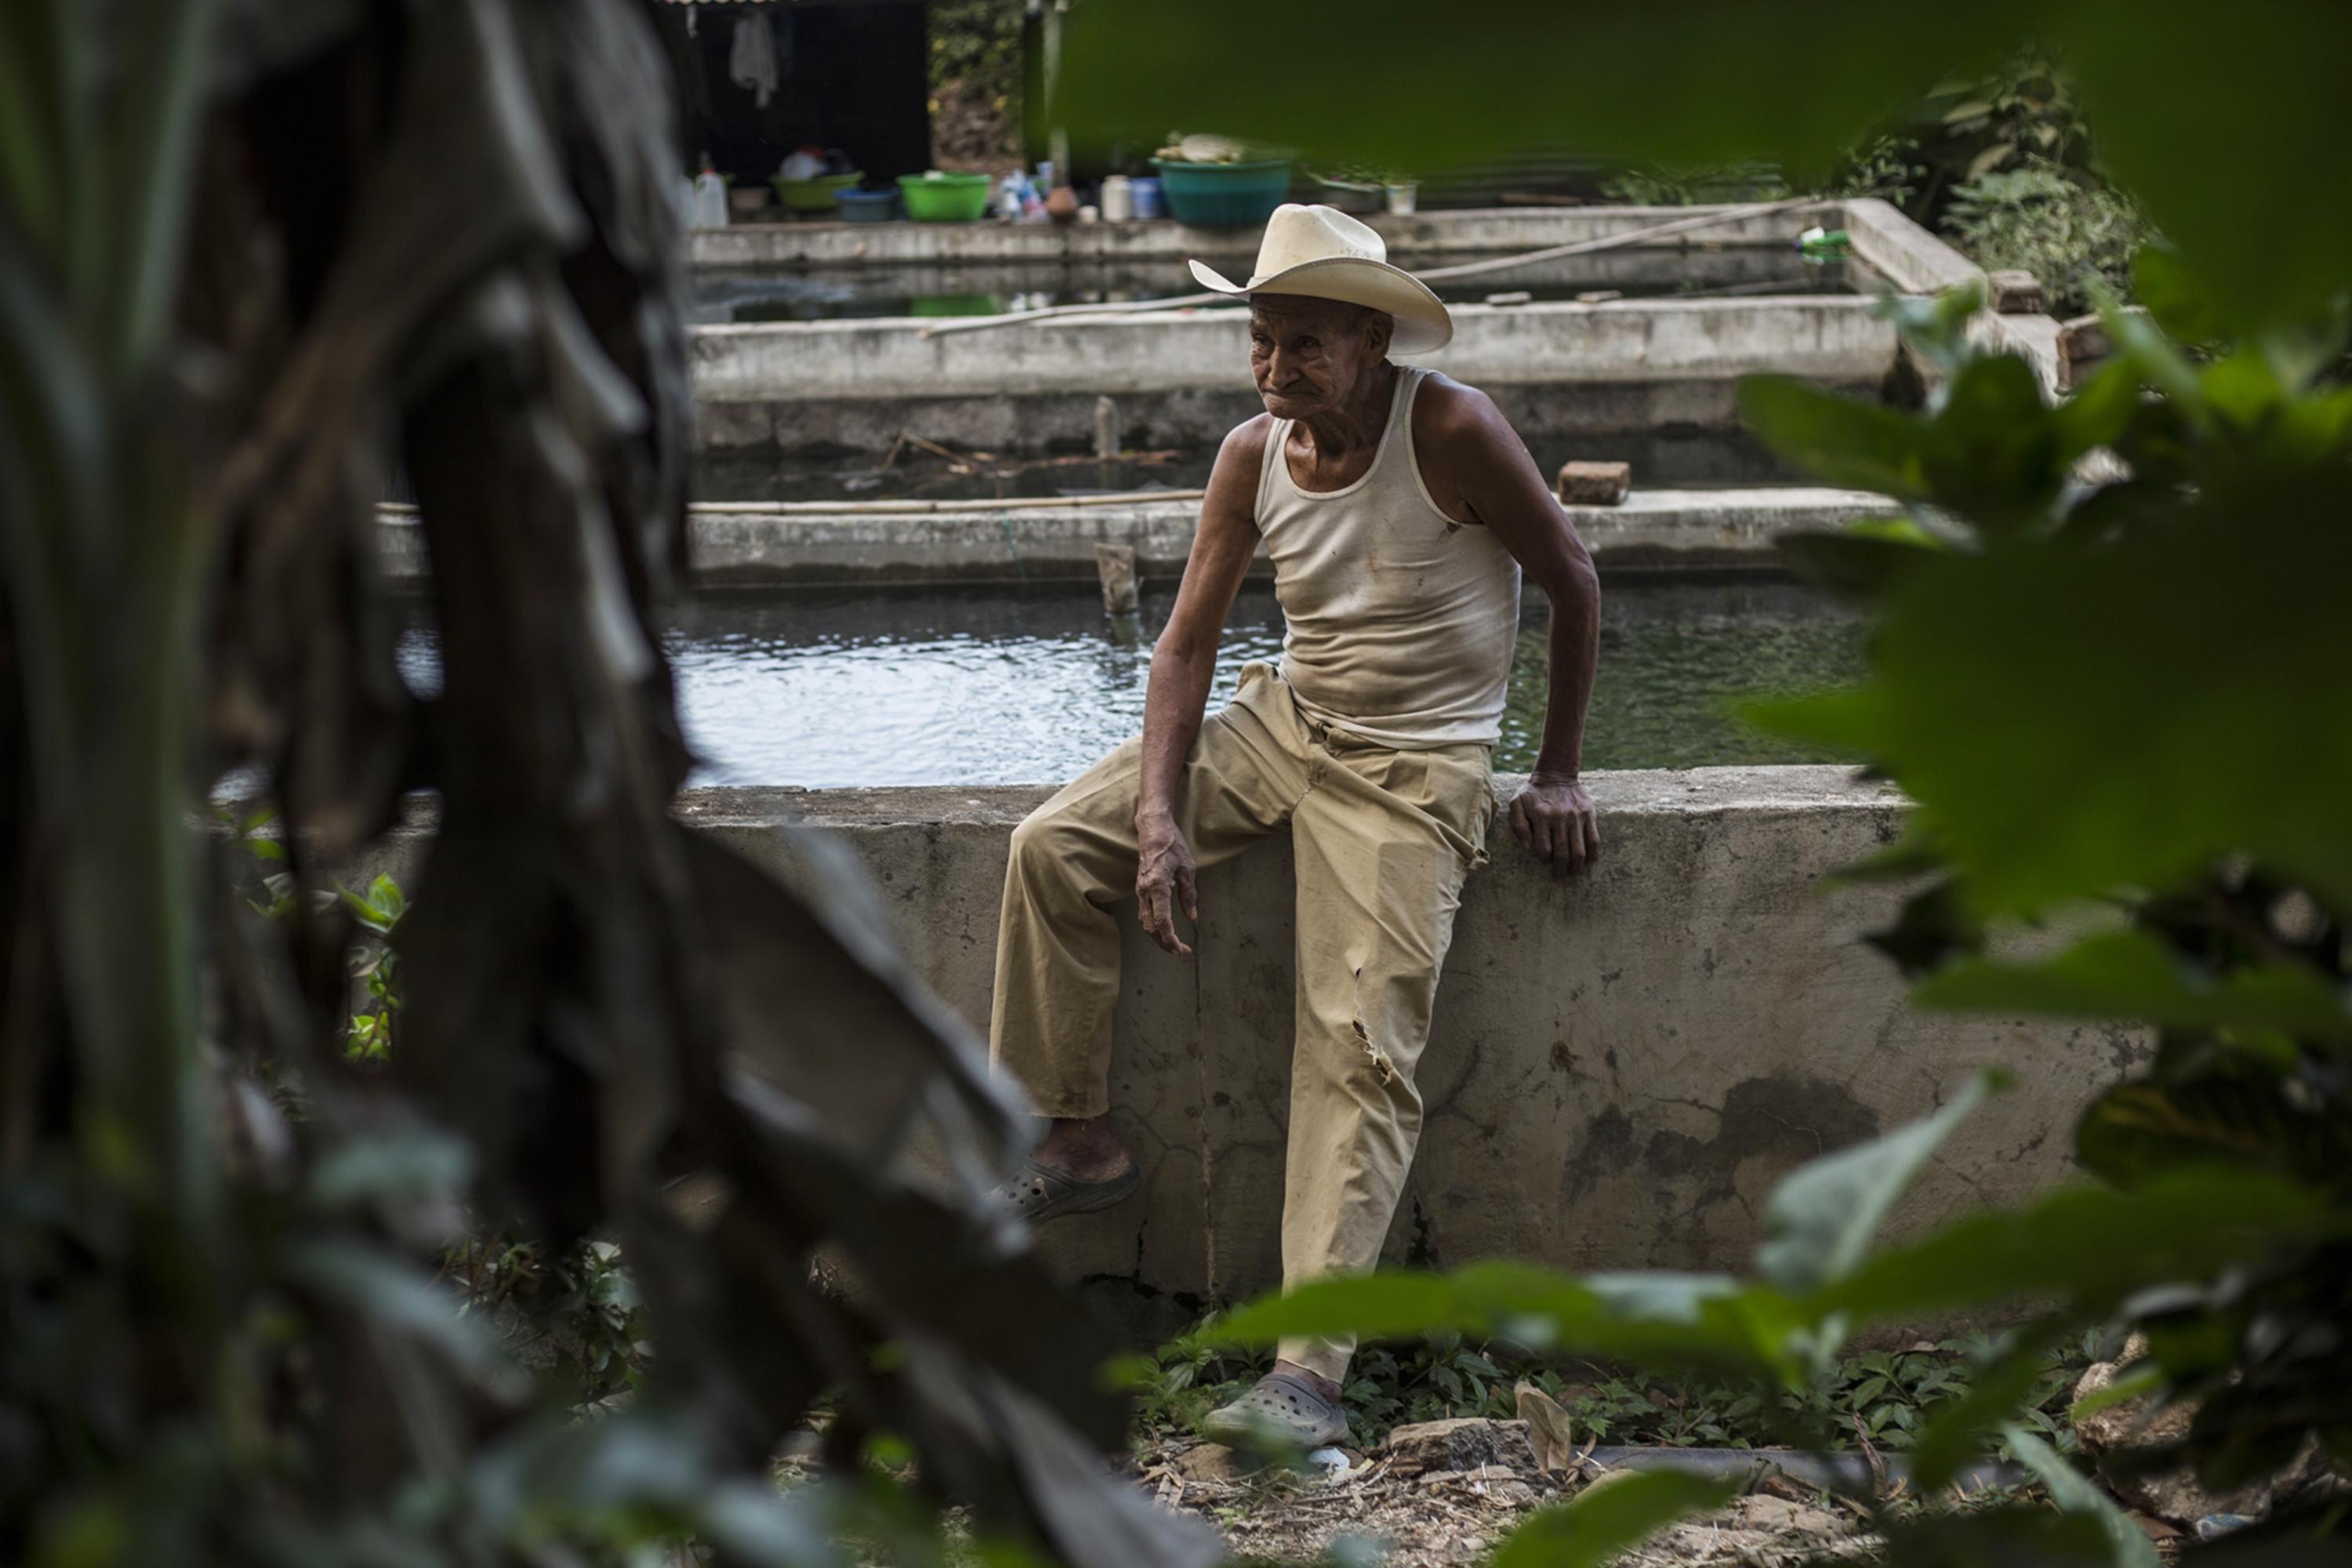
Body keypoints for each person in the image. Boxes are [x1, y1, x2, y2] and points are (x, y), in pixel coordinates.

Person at [987, 205, 1601, 1446]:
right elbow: (1188, 646)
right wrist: (1157, 817)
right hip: (1288, 722)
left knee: (1355, 1043)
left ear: (1373, 342)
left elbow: (1576, 582)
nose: (1277, 370)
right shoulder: (1250, 452)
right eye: (1261, 342)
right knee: (1053, 847)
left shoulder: (1453, 428)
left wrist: (1559, 770)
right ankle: (1081, 1139)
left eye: (1305, 345)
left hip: (1416, 770)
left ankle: (1308, 1378)